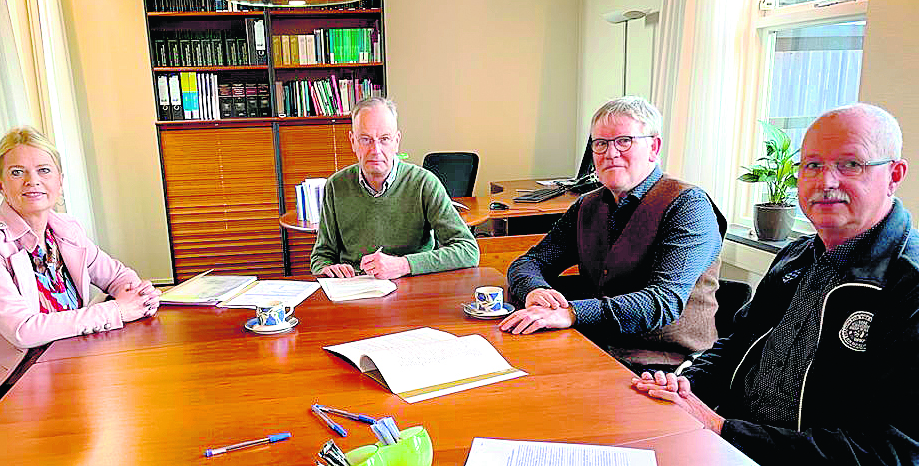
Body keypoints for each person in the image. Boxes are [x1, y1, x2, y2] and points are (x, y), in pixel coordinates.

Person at [633, 103, 919, 466]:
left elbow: (890, 462)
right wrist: (685, 386)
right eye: (812, 165)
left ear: (894, 174)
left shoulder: (908, 286)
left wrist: (724, 431)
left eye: (850, 164)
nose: (826, 182)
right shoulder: (797, 255)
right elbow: (735, 344)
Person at [0, 126, 161, 438]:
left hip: (58, 376)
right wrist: (118, 312)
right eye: (17, 172)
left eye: (43, 170)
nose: (33, 181)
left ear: (59, 181)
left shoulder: (65, 229)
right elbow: (23, 330)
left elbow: (115, 274)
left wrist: (137, 293)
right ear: (0, 184)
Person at [500, 97, 725, 371]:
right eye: (601, 143)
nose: (611, 153)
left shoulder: (688, 205)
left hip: (666, 366)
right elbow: (529, 262)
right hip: (597, 349)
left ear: (654, 147)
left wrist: (571, 312)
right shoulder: (587, 205)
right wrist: (536, 290)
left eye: (624, 141)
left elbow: (662, 302)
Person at [309, 97, 479, 279]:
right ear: (353, 142)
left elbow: (468, 250)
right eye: (366, 140)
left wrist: (404, 265)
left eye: (384, 139)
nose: (376, 150)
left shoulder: (424, 184)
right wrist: (326, 268)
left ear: (396, 141)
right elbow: (321, 257)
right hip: (354, 290)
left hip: (413, 289)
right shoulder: (335, 186)